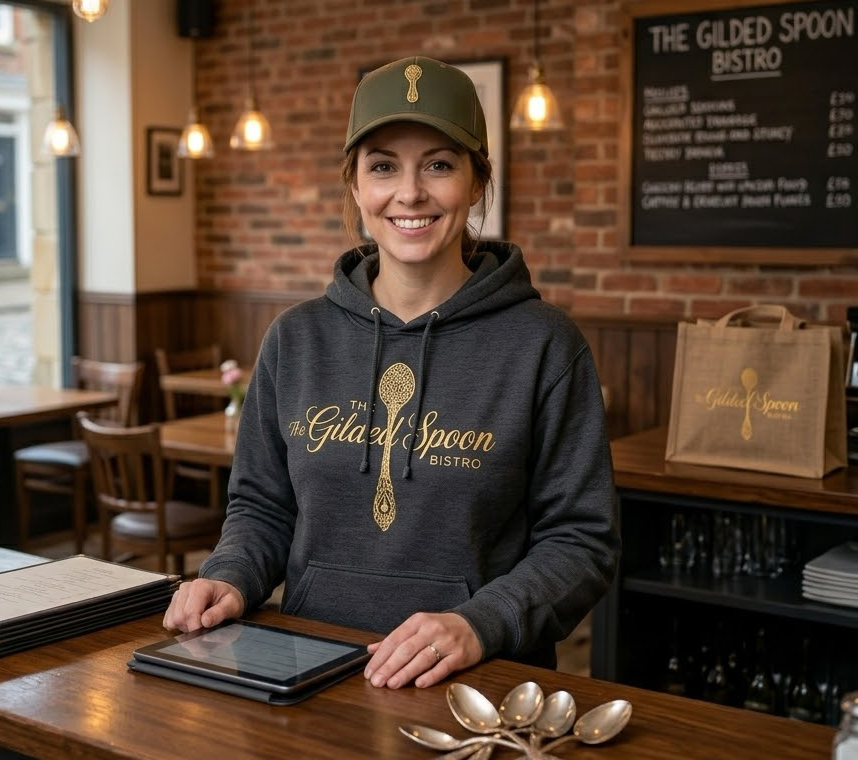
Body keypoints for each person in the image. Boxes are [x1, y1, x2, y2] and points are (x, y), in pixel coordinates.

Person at [164, 55, 620, 690]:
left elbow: (581, 542)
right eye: (383, 166)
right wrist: (231, 573)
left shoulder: (544, 344)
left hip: (476, 684)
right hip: (307, 671)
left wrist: (479, 623)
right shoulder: (295, 339)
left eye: (438, 164)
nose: (410, 193)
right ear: (355, 185)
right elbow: (264, 507)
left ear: (478, 181)